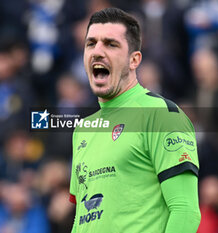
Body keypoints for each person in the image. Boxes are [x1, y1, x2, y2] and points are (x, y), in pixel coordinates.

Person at [69, 8, 201, 233]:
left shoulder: (160, 115)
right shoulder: (83, 129)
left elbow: (186, 210)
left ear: (134, 60)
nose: (97, 51)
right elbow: (83, 218)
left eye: (111, 44)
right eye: (91, 43)